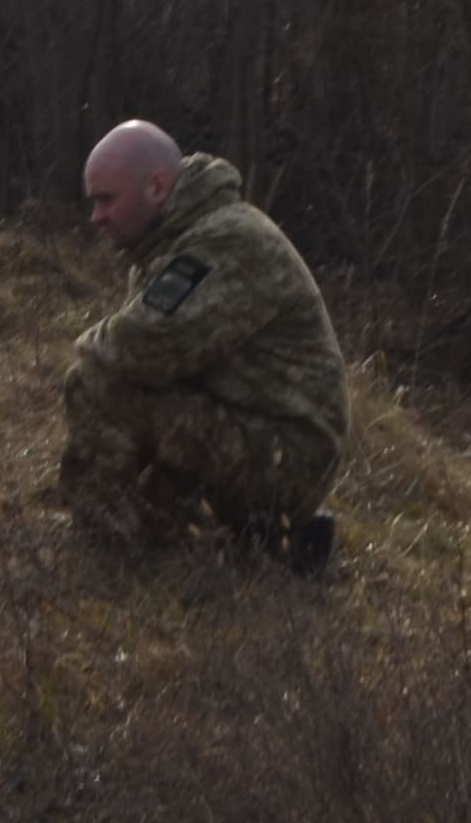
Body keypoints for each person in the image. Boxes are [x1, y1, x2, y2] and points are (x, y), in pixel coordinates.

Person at [58, 117, 343, 570]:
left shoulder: (225, 240)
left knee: (93, 383)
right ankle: (264, 541)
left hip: (284, 455)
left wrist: (86, 346)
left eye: (106, 200)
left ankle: (111, 549)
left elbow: (141, 349)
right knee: (147, 470)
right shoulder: (181, 239)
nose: (97, 217)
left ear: (156, 186)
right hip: (253, 432)